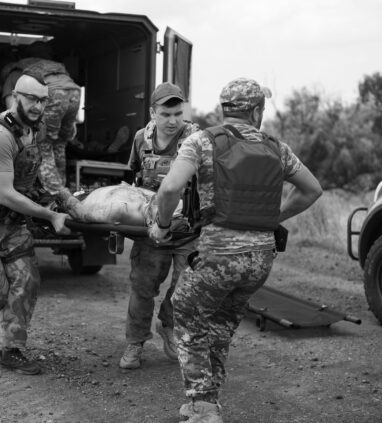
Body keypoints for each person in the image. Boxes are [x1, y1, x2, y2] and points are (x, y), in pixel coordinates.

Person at [149, 77, 323, 422]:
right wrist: (274, 217)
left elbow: (170, 189)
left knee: (185, 312)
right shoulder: (277, 147)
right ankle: (207, 400)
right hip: (260, 261)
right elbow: (312, 190)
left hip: (218, 256)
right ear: (257, 110)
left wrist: (163, 226)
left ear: (224, 108)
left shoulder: (201, 141)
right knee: (220, 326)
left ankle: (202, 408)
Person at [0, 70, 71, 375]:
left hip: (11, 223)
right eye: (31, 99)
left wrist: (64, 201)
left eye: (43, 101)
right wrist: (49, 215)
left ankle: (11, 350)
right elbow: (5, 194)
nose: (37, 106)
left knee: (27, 280)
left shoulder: (36, 130)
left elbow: (42, 175)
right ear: (14, 98)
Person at [119, 82, 201, 370]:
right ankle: (135, 342)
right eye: (166, 114)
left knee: (188, 286)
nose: (173, 121)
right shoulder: (142, 138)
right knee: (143, 287)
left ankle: (169, 325)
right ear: (153, 113)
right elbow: (134, 178)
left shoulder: (197, 138)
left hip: (187, 229)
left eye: (178, 113)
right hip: (152, 229)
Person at [0, 56, 81, 184]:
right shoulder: (38, 66)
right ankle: (61, 187)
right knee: (59, 143)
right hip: (74, 92)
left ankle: (53, 193)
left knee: (42, 143)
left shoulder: (13, 76)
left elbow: (14, 113)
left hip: (54, 94)